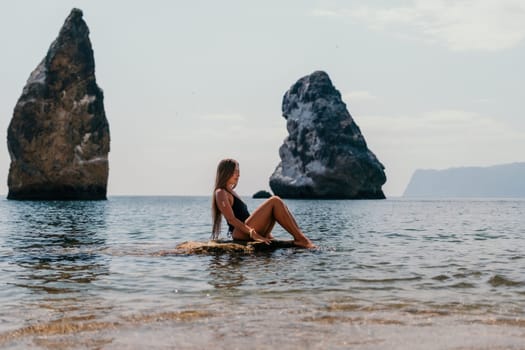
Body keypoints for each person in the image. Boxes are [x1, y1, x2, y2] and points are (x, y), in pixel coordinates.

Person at [211, 158, 315, 248]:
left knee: (280, 205)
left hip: (245, 230)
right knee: (275, 200)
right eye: (235, 171)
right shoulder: (221, 192)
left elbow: (244, 217)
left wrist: (268, 236)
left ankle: (300, 237)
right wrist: (253, 234)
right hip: (240, 233)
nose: (238, 174)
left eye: (238, 171)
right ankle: (302, 239)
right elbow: (231, 219)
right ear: (226, 172)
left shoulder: (231, 191)